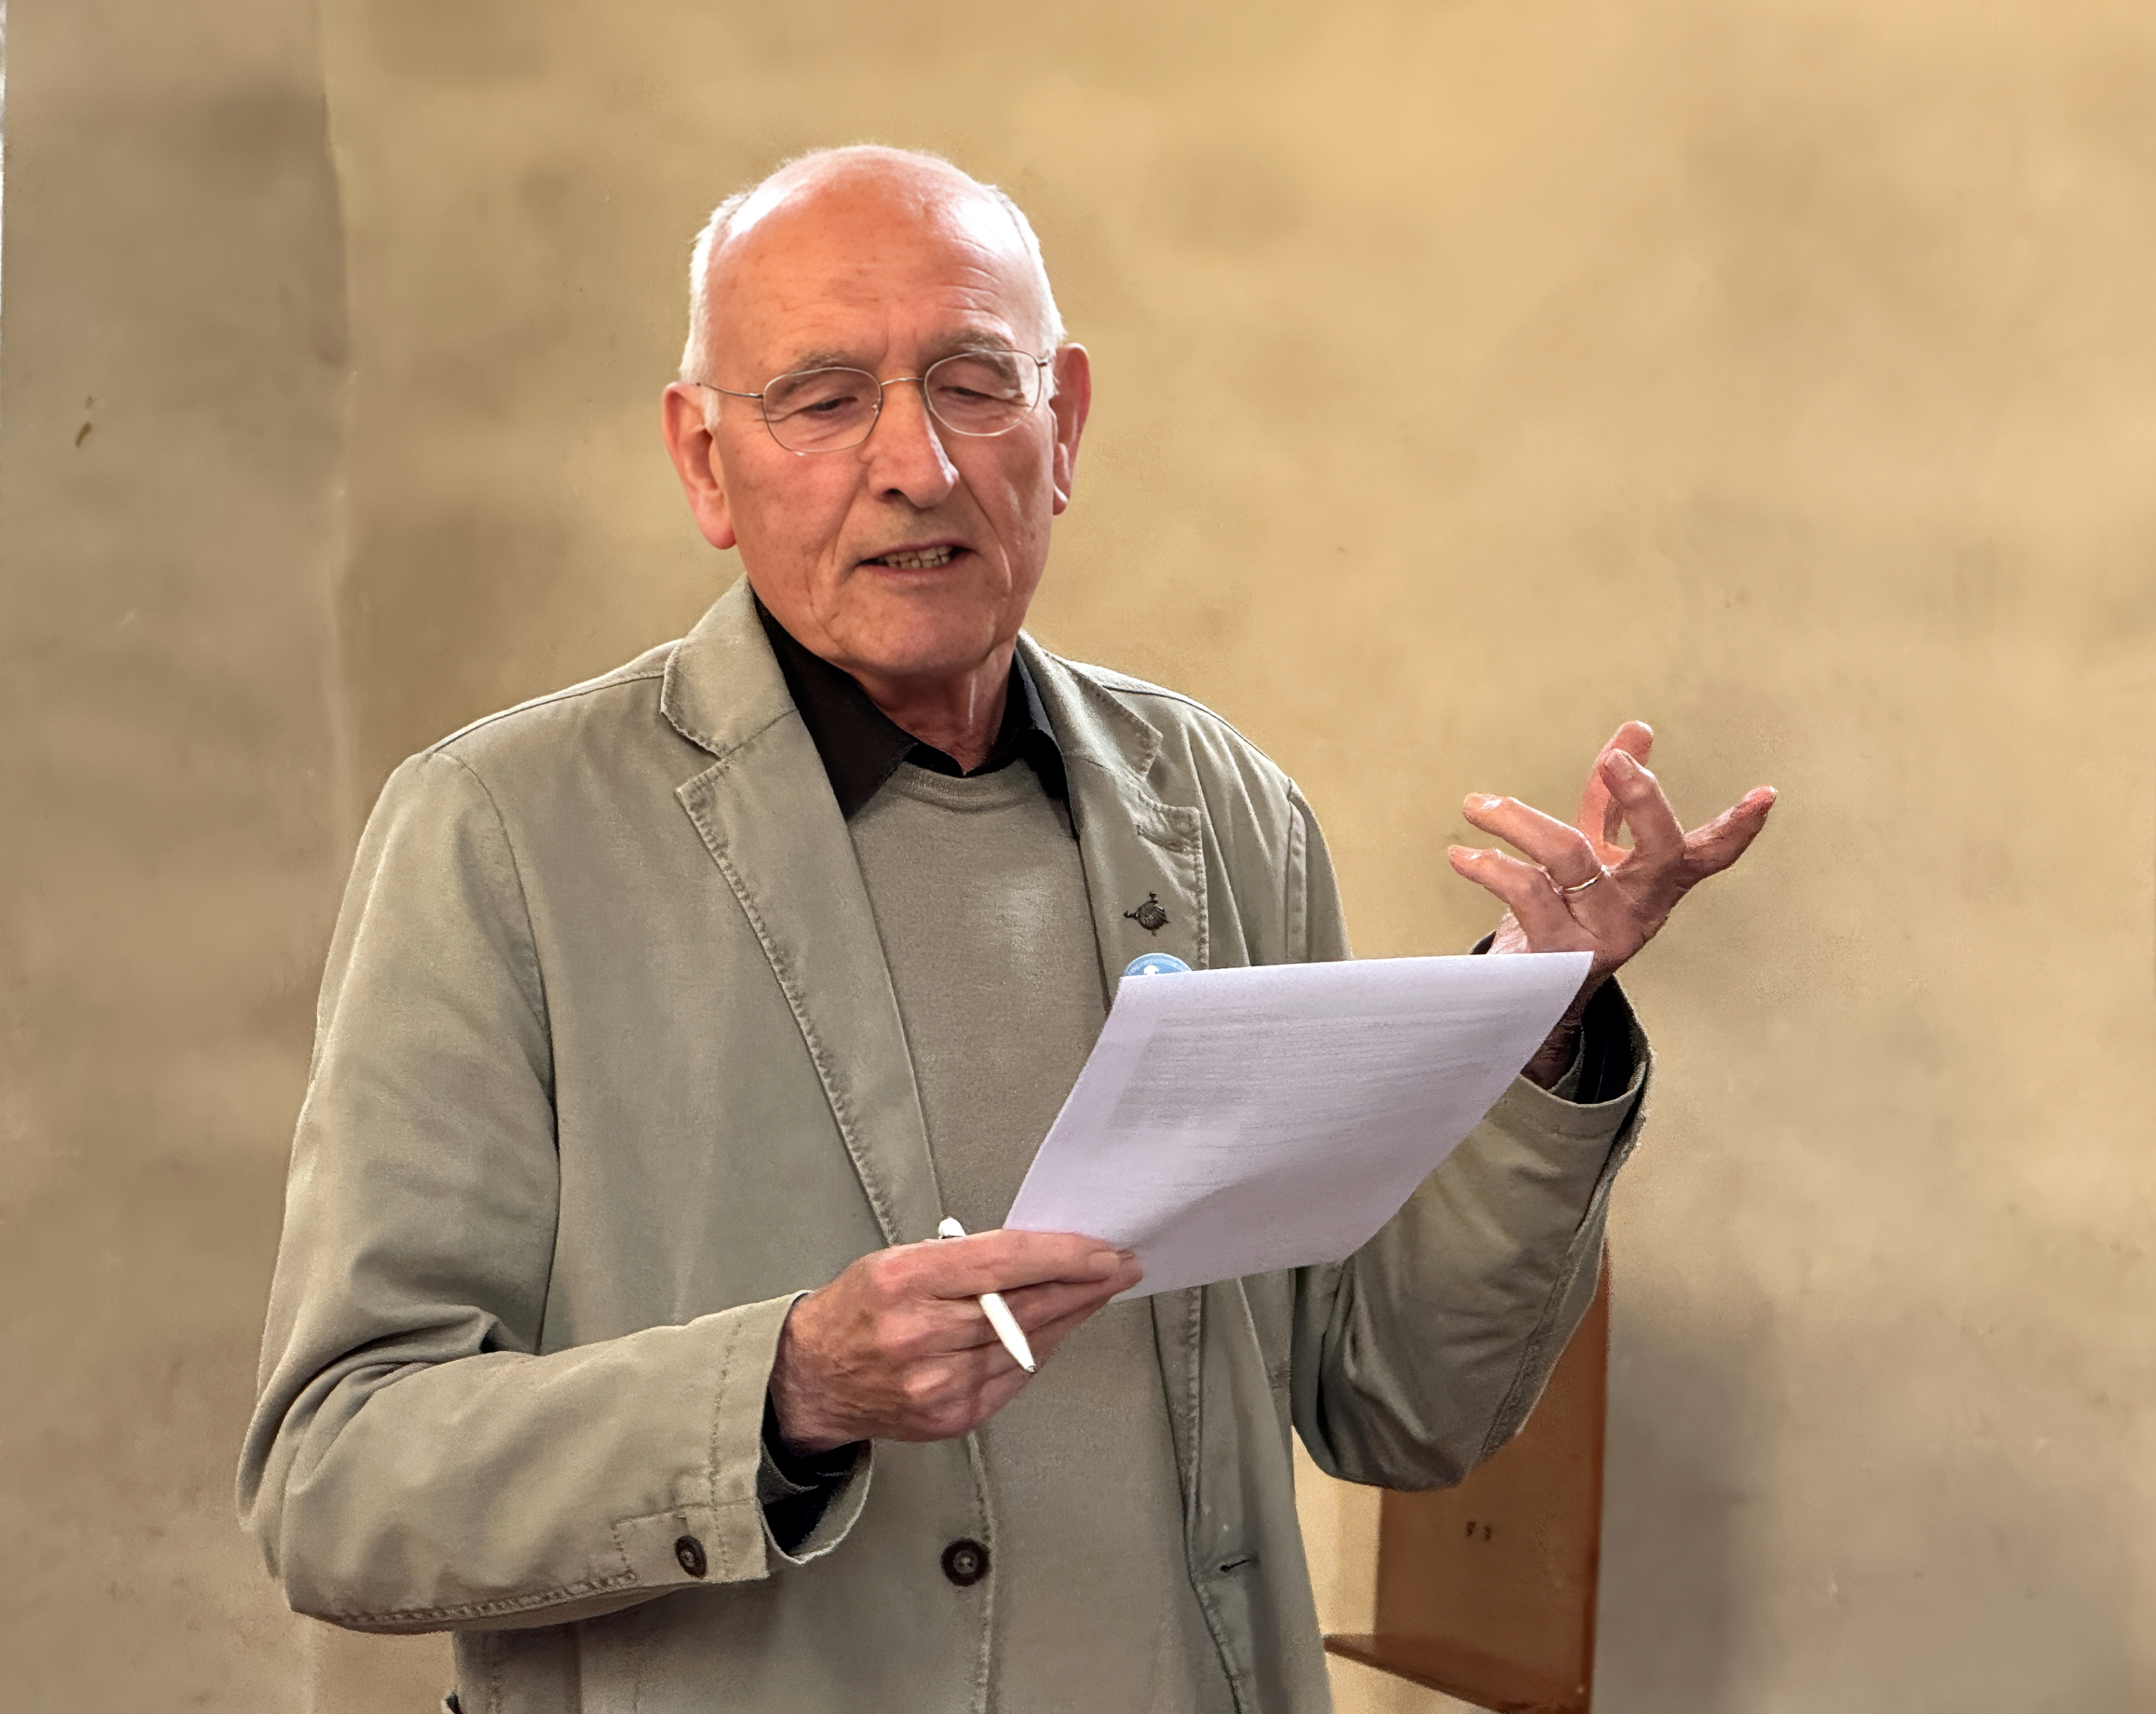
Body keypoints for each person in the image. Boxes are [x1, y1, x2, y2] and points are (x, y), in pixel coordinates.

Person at [238, 145, 1775, 1714]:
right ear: (703, 461)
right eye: (823, 399)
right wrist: (783, 1390)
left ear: (1068, 426)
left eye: (975, 385)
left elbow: (1399, 1407)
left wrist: (1539, 1026)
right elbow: (336, 1484)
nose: (917, 465)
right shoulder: (501, 835)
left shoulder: (1226, 808)